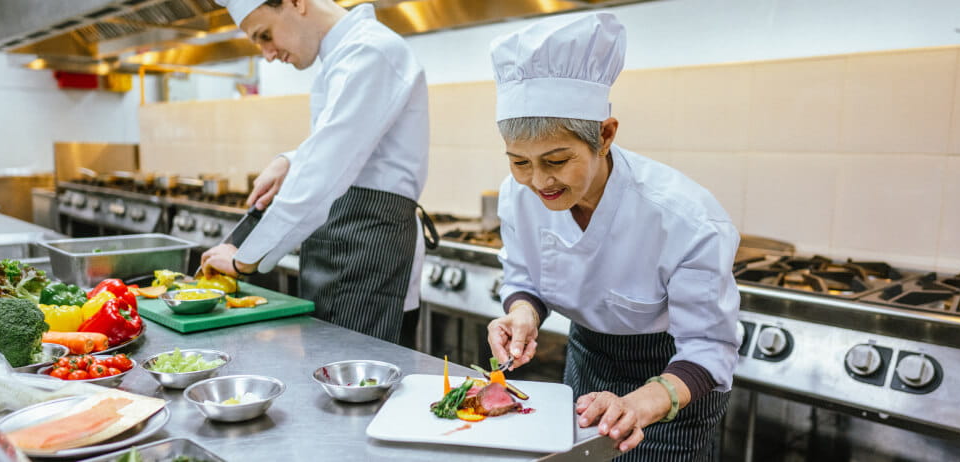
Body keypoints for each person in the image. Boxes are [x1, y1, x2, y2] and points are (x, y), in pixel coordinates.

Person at [484, 13, 741, 461]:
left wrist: (638, 405)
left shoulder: (683, 217)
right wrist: (523, 313)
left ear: (604, 136)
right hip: (588, 363)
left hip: (672, 380)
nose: (538, 180)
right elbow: (524, 274)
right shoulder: (518, 193)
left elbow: (709, 348)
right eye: (519, 162)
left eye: (557, 160)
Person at [200, 0, 432, 344]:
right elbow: (351, 143)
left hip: (369, 253)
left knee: (363, 381)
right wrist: (292, 161)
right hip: (348, 246)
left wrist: (245, 258)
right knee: (335, 376)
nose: (267, 54)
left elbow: (325, 169)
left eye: (265, 35)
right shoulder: (344, 55)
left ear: (296, 3)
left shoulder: (370, 51)